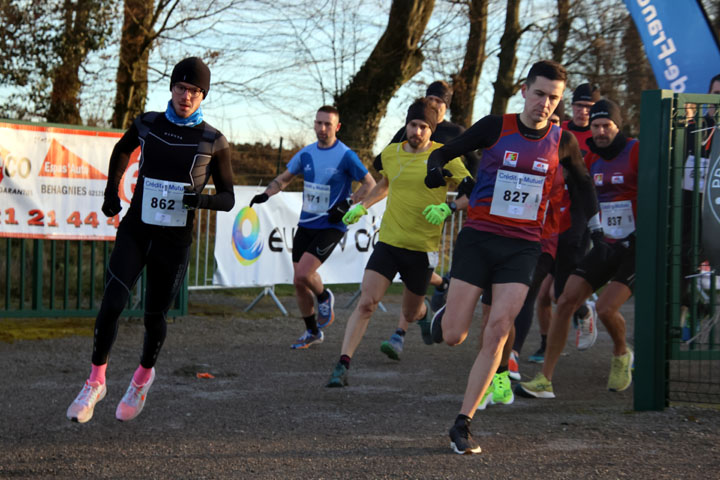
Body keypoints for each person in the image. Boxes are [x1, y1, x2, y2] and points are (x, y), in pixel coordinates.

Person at [425, 60, 600, 454]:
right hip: (479, 237)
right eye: (539, 94)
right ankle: (444, 313)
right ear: (524, 90)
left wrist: (596, 227)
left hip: (523, 246)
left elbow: (585, 187)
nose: (546, 104)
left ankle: (463, 423)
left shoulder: (563, 141)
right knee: (455, 336)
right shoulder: (494, 126)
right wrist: (435, 171)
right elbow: (445, 152)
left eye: (554, 98)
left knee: (499, 328)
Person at [66, 57, 235, 423]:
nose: (186, 96)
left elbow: (228, 198)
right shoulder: (148, 122)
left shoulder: (213, 140)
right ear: (171, 88)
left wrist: (199, 200)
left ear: (203, 95)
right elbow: (121, 150)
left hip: (173, 243)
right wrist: (112, 190)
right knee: (112, 301)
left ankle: (142, 378)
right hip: (137, 229)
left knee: (153, 317)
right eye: (181, 87)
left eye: (194, 90)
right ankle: (96, 381)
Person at [325, 97, 471, 388]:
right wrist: (363, 205)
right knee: (367, 303)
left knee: (409, 312)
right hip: (389, 242)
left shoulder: (445, 156)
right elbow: (385, 183)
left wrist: (450, 208)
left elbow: (473, 191)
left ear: (432, 130)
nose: (417, 132)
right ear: (406, 125)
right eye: (413, 125)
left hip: (421, 248)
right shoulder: (391, 153)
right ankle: (342, 364)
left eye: (423, 127)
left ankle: (425, 313)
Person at [517, 99, 637, 400]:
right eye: (595, 126)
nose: (599, 131)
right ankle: (545, 379)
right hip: (605, 243)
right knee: (566, 299)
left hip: (638, 246)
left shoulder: (635, 151)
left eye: (605, 125)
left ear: (617, 126)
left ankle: (622, 353)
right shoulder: (590, 160)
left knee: (608, 308)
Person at [250, 106, 375, 349]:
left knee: (305, 274)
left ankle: (324, 296)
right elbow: (284, 178)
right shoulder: (305, 154)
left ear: (337, 127)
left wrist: (348, 203)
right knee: (298, 281)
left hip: (331, 224)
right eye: (318, 123)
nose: (322, 128)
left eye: (328, 124)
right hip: (306, 223)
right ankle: (312, 332)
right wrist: (266, 194)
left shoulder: (346, 155)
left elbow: (369, 184)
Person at [378, 80, 479, 359]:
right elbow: (386, 165)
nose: (433, 105)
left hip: (441, 210)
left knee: (417, 269)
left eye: (439, 102)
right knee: (411, 271)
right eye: (430, 99)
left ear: (446, 106)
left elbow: (475, 168)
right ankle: (408, 325)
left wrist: (456, 203)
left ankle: (404, 327)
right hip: (406, 211)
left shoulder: (456, 132)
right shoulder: (411, 126)